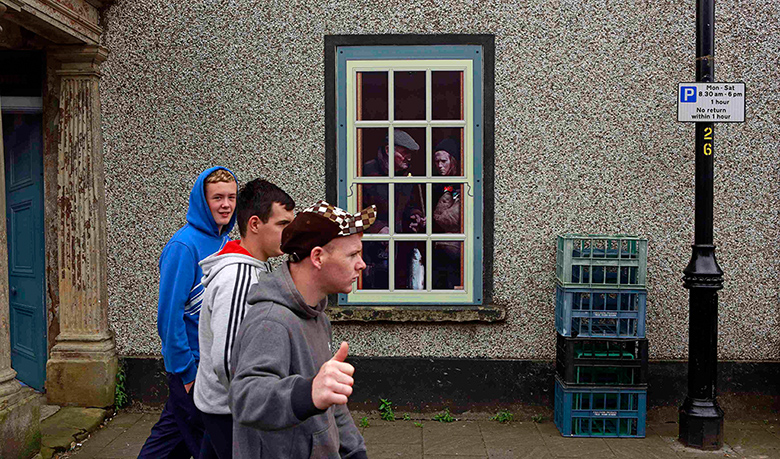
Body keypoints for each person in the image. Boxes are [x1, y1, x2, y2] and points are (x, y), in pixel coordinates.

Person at [228, 200, 374, 459]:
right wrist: (308, 392)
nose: (361, 264)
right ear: (317, 257)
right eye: (352, 255)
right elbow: (245, 397)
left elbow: (331, 401)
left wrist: (354, 451)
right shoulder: (271, 321)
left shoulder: (317, 316)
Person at [139, 167, 237, 458]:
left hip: (212, 370)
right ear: (202, 202)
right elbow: (169, 319)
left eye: (231, 197)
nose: (226, 205)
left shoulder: (226, 243)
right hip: (192, 370)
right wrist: (187, 375)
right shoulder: (183, 246)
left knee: (176, 440)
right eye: (217, 198)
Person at [193, 179, 295, 459]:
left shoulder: (255, 267)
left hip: (224, 405)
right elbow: (227, 358)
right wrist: (255, 406)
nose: (289, 233)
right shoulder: (238, 277)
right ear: (254, 224)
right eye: (282, 224)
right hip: (230, 410)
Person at [362, 129, 424, 289]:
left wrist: (415, 216)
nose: (409, 158)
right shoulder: (366, 173)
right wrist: (377, 228)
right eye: (404, 153)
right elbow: (355, 210)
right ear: (388, 150)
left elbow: (410, 205)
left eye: (410, 154)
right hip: (371, 250)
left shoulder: (406, 176)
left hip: (399, 249)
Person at [432, 138, 462, 289]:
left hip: (455, 248)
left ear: (453, 161)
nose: (439, 165)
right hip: (439, 246)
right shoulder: (437, 184)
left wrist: (432, 220)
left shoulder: (461, 184)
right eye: (436, 162)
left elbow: (451, 218)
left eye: (444, 161)